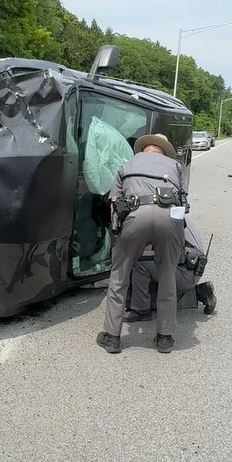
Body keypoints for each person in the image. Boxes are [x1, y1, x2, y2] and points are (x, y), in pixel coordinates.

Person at [96, 133, 189, 354]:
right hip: (170, 217)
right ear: (163, 151)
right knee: (167, 275)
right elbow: (182, 203)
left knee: (119, 276)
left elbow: (114, 207)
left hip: (135, 216)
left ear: (144, 148)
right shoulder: (175, 166)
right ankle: (165, 338)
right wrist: (171, 233)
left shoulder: (127, 165)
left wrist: (124, 236)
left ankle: (112, 337)